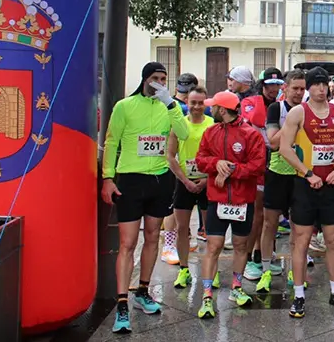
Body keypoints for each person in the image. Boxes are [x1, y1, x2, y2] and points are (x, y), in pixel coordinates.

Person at [101, 62, 189, 334]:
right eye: (155, 78)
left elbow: (184, 134)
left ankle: (143, 290)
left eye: (163, 79)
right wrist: (107, 178)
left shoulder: (169, 106)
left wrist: (172, 104)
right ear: (144, 79)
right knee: (128, 242)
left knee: (153, 236)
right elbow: (112, 141)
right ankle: (122, 303)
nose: (159, 83)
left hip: (160, 180)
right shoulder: (124, 106)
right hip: (131, 179)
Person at [278, 67, 334, 318]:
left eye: (325, 85)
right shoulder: (298, 112)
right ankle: (299, 295)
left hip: (331, 185)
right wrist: (307, 173)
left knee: (333, 242)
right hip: (305, 186)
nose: (321, 89)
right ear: (308, 87)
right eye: (316, 84)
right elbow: (284, 148)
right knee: (300, 242)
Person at [193, 91, 265, 319]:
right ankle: (206, 296)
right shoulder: (210, 132)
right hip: (216, 200)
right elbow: (200, 159)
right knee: (213, 246)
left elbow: (258, 166)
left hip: (243, 201)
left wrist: (232, 170)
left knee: (241, 246)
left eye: (212, 106)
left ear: (222, 110)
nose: (209, 109)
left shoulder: (251, 134)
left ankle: (236, 287)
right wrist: (217, 164)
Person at [258, 69, 307, 293]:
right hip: (277, 171)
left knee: (299, 227)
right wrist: (293, 123)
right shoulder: (276, 108)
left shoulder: (309, 110)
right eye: (295, 88)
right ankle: (266, 268)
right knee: (270, 223)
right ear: (285, 88)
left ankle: (295, 271)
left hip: (300, 173)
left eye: (302, 89)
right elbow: (274, 142)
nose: (299, 93)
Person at [240, 68, 286, 283]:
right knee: (257, 215)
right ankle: (248, 258)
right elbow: (256, 119)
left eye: (277, 85)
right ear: (262, 84)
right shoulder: (250, 101)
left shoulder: (283, 104)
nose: (273, 89)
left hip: (277, 161)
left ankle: (263, 254)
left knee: (272, 216)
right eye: (269, 85)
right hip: (257, 161)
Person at [166, 86, 214, 290]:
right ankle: (184, 269)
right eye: (192, 102)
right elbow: (170, 156)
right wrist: (185, 180)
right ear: (186, 102)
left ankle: (212, 272)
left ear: (206, 103)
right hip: (184, 182)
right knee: (182, 229)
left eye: (200, 103)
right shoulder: (179, 125)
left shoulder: (212, 125)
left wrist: (205, 179)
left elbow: (219, 156)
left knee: (211, 230)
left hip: (207, 182)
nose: (196, 107)